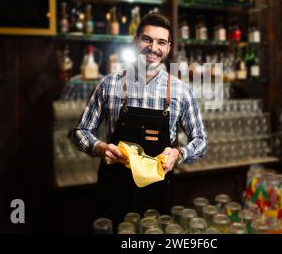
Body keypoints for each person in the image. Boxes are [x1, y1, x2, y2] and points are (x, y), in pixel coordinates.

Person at [72, 13, 207, 225]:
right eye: (147, 39)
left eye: (161, 42)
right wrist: (99, 147)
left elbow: (200, 139)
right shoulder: (109, 84)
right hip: (114, 188)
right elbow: (81, 132)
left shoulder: (181, 91)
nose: (153, 48)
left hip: (158, 191)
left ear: (169, 48)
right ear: (135, 41)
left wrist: (179, 153)